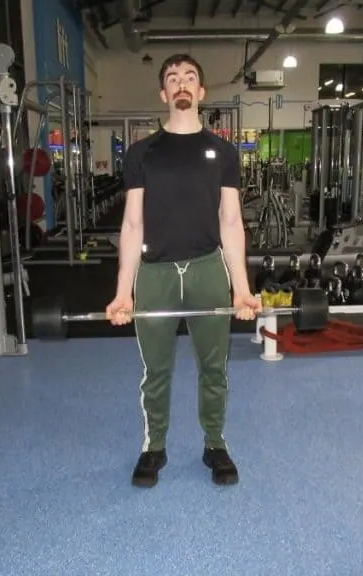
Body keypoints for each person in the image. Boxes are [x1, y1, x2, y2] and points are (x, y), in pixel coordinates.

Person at [106, 53, 262, 488]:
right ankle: (153, 447)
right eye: (173, 78)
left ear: (200, 92)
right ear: (163, 93)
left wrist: (241, 290)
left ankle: (215, 443)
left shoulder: (224, 152)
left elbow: (231, 222)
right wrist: (123, 293)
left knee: (214, 367)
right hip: (154, 273)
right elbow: (132, 223)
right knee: (155, 370)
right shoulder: (141, 153)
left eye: (190, 77)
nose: (182, 83)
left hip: (207, 270)